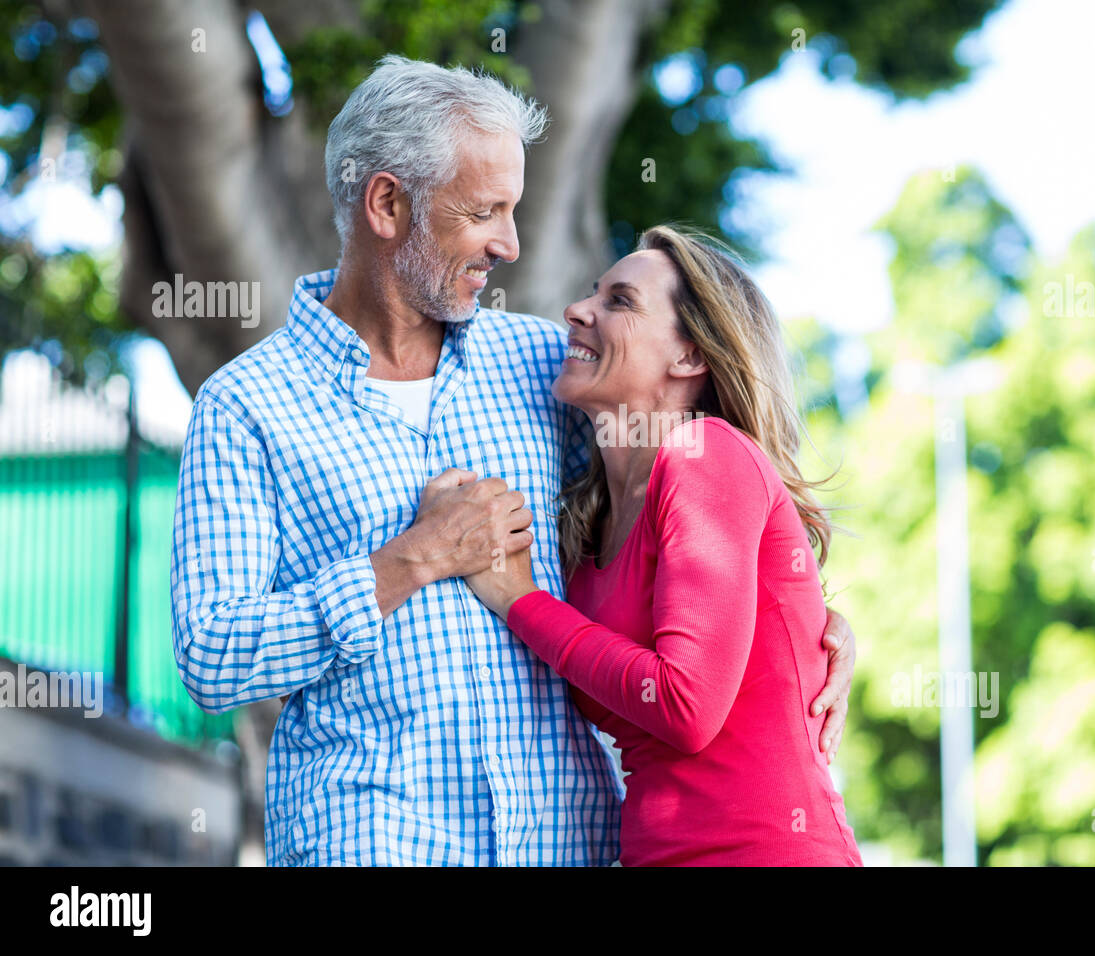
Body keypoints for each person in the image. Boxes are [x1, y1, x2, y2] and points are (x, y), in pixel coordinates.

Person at [169, 56, 858, 866]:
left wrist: (811, 628)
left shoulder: (545, 368)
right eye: (485, 210)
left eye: (516, 209)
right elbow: (213, 657)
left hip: (574, 844)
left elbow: (686, 528)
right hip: (374, 841)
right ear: (387, 203)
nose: (510, 242)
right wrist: (408, 561)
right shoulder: (245, 406)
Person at [465, 225, 864, 866]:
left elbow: (685, 705)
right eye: (592, 293)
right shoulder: (593, 528)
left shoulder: (706, 455)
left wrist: (517, 599)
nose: (578, 310)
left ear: (688, 357)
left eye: (619, 301)